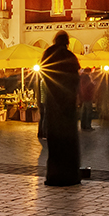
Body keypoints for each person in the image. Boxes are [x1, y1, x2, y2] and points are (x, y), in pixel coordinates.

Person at [39, 31, 81, 186]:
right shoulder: (70, 57)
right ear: (67, 42)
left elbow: (45, 76)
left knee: (55, 143)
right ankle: (70, 175)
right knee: (68, 142)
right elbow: (76, 80)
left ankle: (54, 175)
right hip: (67, 106)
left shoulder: (48, 54)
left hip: (53, 103)